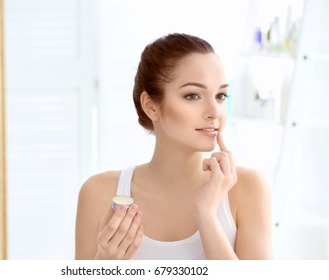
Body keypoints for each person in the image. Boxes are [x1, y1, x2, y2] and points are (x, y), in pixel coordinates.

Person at [75, 33, 273, 260]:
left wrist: (206, 214)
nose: (215, 111)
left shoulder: (246, 189)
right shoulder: (100, 193)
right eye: (193, 96)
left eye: (220, 95)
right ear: (151, 106)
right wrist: (104, 264)